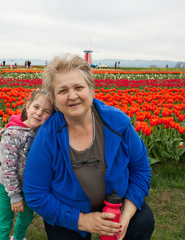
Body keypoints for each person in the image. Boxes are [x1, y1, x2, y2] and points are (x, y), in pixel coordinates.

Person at [23, 54, 155, 240]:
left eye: (79, 87)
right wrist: (83, 220)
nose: (72, 96)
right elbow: (35, 193)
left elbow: (141, 170)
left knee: (142, 222)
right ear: (54, 98)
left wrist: (124, 217)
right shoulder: (48, 136)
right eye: (62, 91)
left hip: (116, 205)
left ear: (91, 89)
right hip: (67, 209)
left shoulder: (117, 123)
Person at [0, 89, 55, 240]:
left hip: (29, 188)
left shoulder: (43, 134)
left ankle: (18, 237)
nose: (39, 113)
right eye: (36, 107)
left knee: (27, 217)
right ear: (27, 107)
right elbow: (8, 168)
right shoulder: (13, 134)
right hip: (7, 187)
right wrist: (14, 195)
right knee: (5, 221)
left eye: (46, 111)